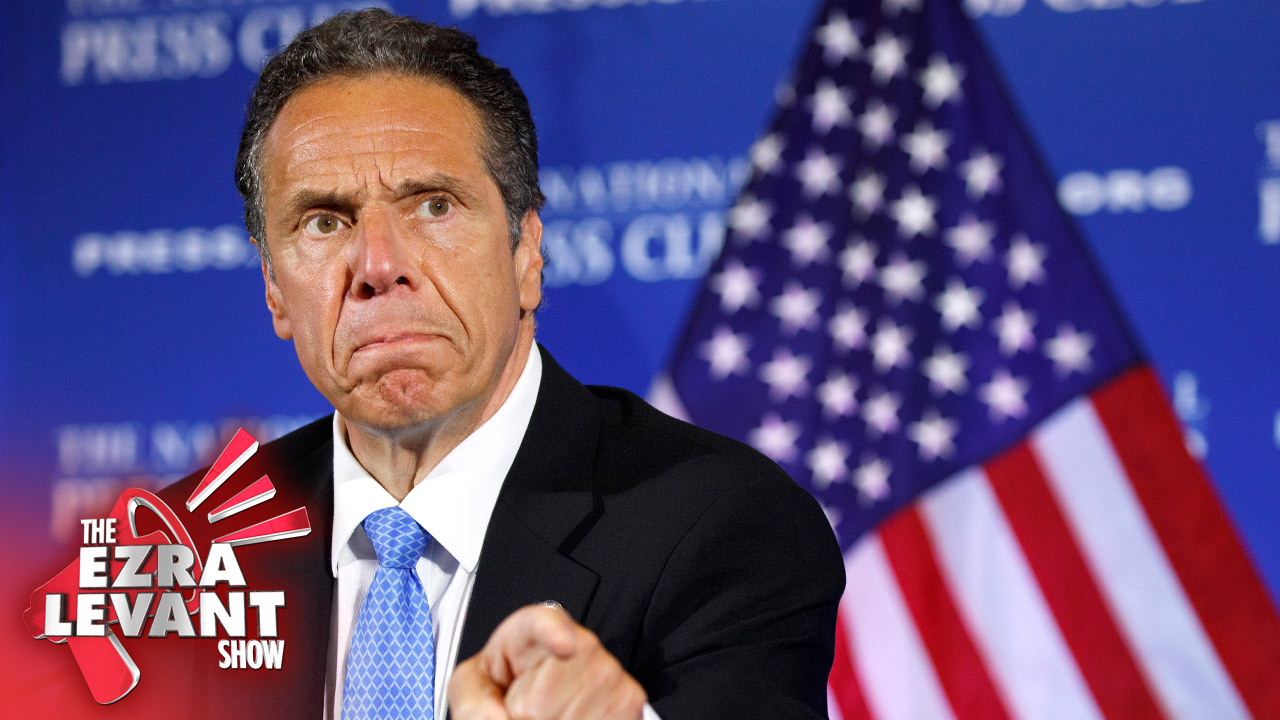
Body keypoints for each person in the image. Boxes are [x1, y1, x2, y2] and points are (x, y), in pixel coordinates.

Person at [151, 9, 843, 720]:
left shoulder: (726, 526)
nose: (379, 266)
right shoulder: (176, 554)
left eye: (434, 206)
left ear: (526, 253)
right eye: (325, 221)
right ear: (274, 286)